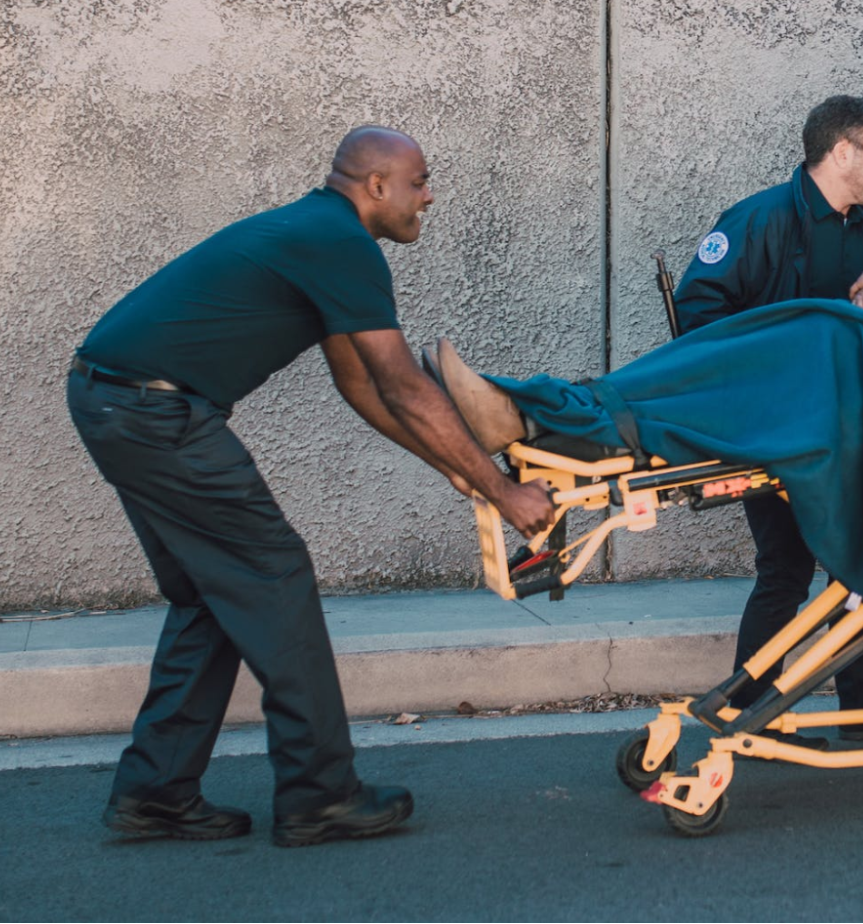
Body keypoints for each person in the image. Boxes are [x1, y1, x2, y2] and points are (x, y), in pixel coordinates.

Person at [429, 132, 863, 652]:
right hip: (854, 347)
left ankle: (533, 413)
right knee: (716, 360)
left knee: (735, 389)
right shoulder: (779, 218)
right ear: (843, 153)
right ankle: (532, 410)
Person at [67, 127, 555, 848]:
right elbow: (404, 384)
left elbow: (358, 384)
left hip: (117, 402)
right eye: (419, 180)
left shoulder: (320, 234)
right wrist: (504, 492)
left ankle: (155, 793)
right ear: (375, 185)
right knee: (274, 577)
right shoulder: (341, 242)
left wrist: (455, 470)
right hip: (156, 413)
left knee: (212, 592)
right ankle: (320, 795)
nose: (429, 194)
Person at [673, 95, 863, 741]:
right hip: (774, 430)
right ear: (842, 152)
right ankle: (746, 710)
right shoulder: (758, 220)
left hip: (844, 428)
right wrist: (765, 373)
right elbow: (696, 308)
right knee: (785, 567)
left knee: (853, 565)